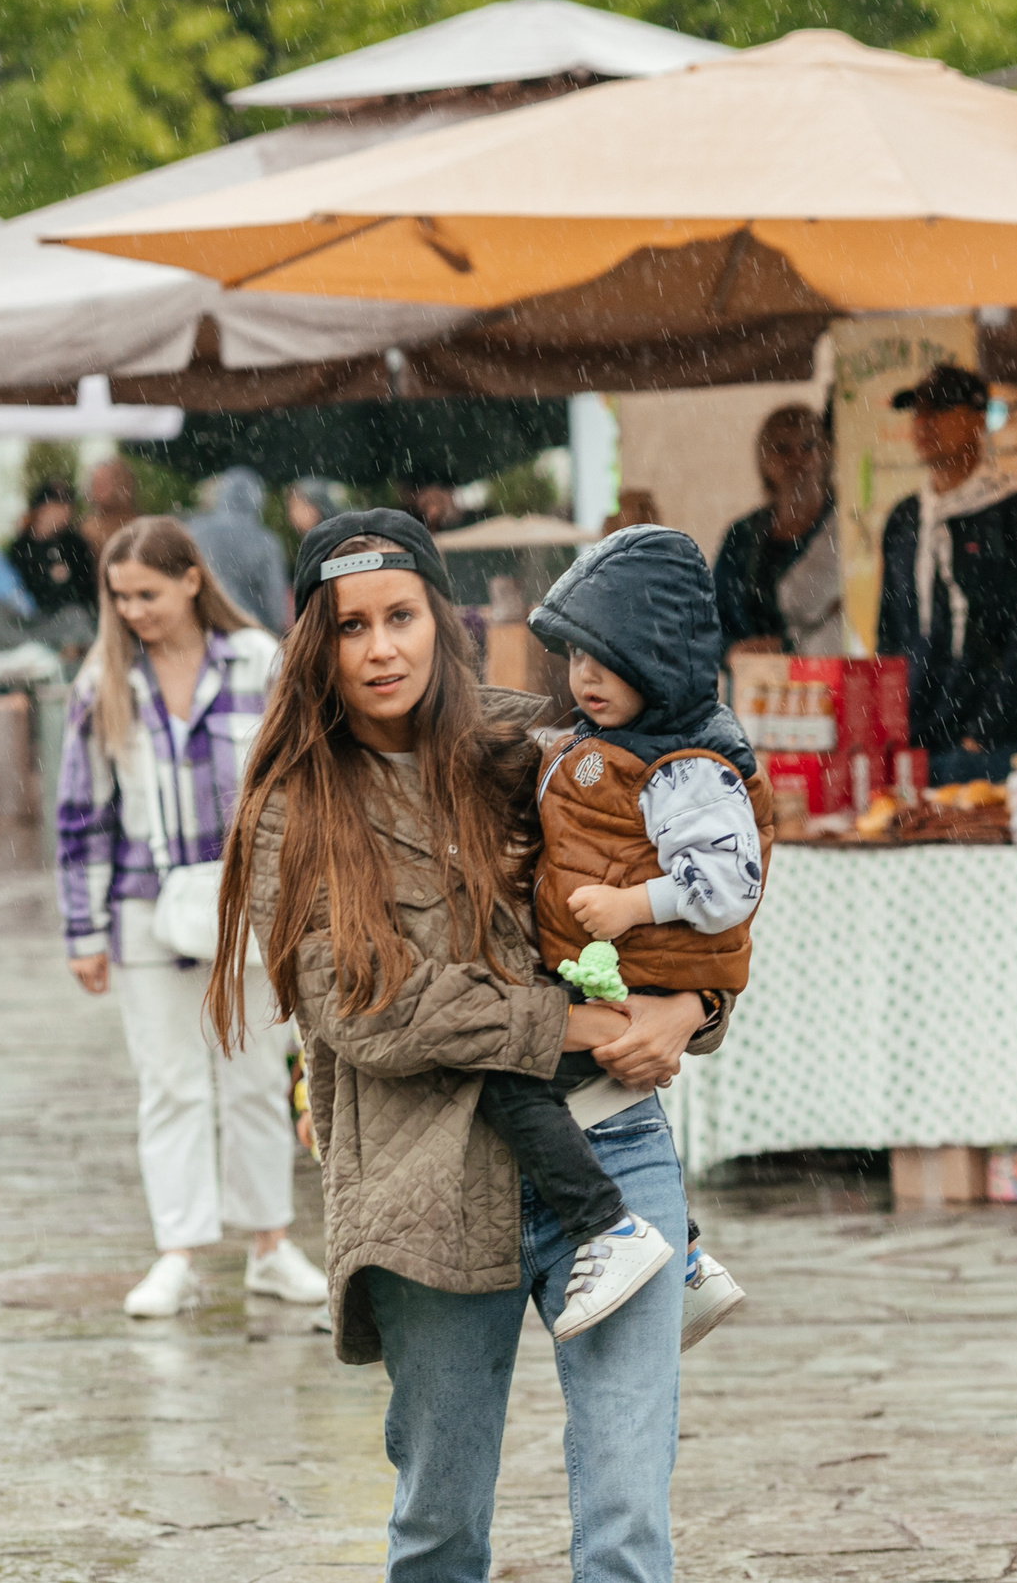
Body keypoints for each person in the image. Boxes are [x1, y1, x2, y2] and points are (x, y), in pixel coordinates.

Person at [208, 507, 719, 1581]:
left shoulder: (540, 749)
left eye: (399, 617)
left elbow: (694, 874)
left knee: (628, 1519)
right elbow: (365, 1007)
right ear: (316, 645)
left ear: (442, 620)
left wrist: (693, 1007)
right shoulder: (291, 806)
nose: (379, 648)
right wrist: (566, 1022)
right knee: (441, 1524)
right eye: (350, 627)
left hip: (612, 1152)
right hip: (426, 1183)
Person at [497, 523, 766, 1345]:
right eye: (576, 657)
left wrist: (634, 906)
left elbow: (729, 885)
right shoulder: (611, 740)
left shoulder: (688, 764)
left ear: (660, 660)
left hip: (635, 971)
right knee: (586, 1102)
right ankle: (687, 1260)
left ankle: (606, 1229)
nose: (586, 676)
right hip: (610, 972)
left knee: (510, 1080)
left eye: (608, 659)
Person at [53, 516, 322, 1317]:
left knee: (254, 1079)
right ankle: (178, 1252)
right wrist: (83, 933)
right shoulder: (103, 681)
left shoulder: (259, 661)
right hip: (145, 907)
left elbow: (302, 786)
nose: (133, 611)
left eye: (148, 593)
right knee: (169, 1086)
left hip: (250, 904)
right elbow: (81, 817)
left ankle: (270, 1245)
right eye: (120, 597)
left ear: (192, 580)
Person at [876, 364, 1017, 782]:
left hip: (999, 745)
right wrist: (888, 732)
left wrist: (982, 734)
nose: (924, 423)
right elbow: (890, 636)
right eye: (917, 412)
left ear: (978, 419)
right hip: (918, 742)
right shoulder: (905, 519)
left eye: (940, 410)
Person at [716, 403, 852, 658]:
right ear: (764, 460)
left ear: (826, 452)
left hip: (829, 672)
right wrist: (733, 650)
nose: (796, 459)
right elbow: (711, 621)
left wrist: (789, 647)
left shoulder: (849, 525)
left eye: (808, 446)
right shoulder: (742, 536)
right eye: (782, 449)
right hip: (755, 677)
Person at [187, 466, 293, 633]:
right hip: (248, 632)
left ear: (221, 494)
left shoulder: (194, 531)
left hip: (203, 629)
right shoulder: (266, 541)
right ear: (258, 500)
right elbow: (276, 607)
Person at [8, 476, 101, 652]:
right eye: (58, 505)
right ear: (41, 509)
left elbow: (85, 592)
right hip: (33, 621)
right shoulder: (21, 546)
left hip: (71, 621)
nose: (65, 512)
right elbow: (17, 590)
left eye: (67, 506)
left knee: (75, 617)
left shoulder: (75, 544)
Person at [79, 457, 142, 559]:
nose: (98, 488)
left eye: (105, 482)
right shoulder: (86, 529)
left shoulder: (139, 527)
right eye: (95, 482)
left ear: (123, 484)